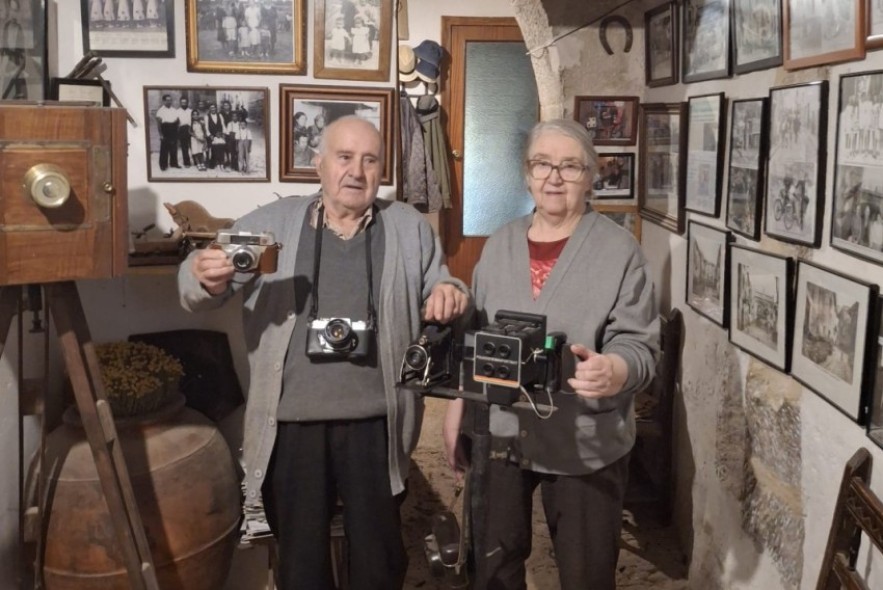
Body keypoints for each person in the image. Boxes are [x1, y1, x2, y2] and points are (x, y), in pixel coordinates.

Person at [178, 116, 470, 590]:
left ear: (382, 171)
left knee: (380, 562)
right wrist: (201, 273)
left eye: (370, 160)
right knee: (301, 565)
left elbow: (440, 281)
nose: (356, 171)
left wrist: (451, 292)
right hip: (291, 425)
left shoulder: (407, 227)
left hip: (379, 424)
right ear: (318, 165)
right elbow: (197, 285)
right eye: (344, 157)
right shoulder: (272, 223)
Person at [443, 118, 658, 590]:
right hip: (501, 431)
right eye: (542, 164)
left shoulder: (620, 251)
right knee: (493, 564)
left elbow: (640, 344)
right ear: (527, 173)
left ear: (591, 176)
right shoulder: (499, 244)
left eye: (570, 166)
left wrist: (616, 369)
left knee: (586, 573)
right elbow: (476, 338)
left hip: (583, 437)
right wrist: (460, 402)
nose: (554, 177)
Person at [155, 93, 180, 171]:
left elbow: (177, 120)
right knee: (164, 149)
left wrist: (176, 129)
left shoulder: (174, 110)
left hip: (173, 129)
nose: (169, 102)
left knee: (174, 148)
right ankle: (163, 165)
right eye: (167, 100)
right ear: (163, 101)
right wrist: (161, 135)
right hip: (165, 129)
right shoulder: (160, 111)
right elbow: (159, 124)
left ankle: (174, 163)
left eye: (170, 100)